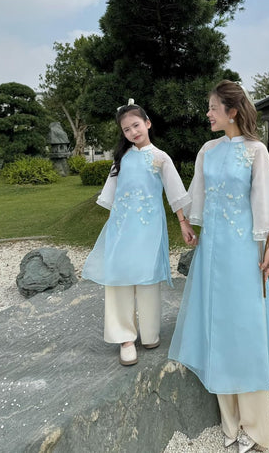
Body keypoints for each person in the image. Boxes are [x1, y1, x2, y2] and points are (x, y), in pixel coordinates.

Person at [168, 81, 269, 452]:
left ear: (232, 111)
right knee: (218, 323)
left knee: (245, 325)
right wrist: (186, 224)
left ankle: (256, 429)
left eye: (212, 107)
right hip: (212, 251)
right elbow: (198, 198)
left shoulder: (256, 152)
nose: (207, 113)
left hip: (244, 251)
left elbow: (266, 203)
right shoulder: (207, 150)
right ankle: (230, 422)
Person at [82, 100, 196, 366]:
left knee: (147, 280)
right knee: (120, 280)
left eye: (136, 125)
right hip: (121, 229)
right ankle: (124, 338)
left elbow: (176, 194)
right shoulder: (121, 160)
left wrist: (183, 222)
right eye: (126, 129)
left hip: (149, 229)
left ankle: (149, 333)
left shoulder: (161, 157)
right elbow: (110, 198)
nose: (133, 132)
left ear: (147, 123)